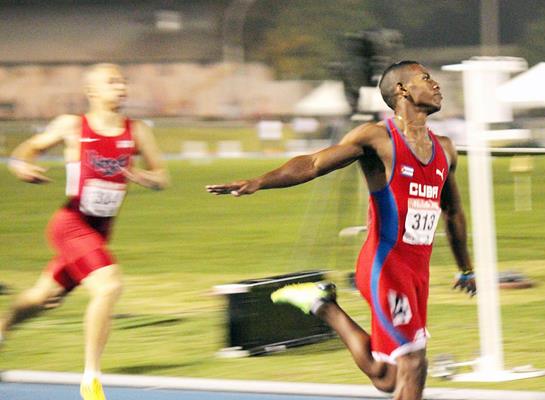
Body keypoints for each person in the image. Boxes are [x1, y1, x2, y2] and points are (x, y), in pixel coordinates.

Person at [206, 60, 476, 400]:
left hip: (417, 274)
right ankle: (325, 307)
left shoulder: (446, 149)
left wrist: (465, 269)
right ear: (402, 90)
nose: (436, 85)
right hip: (384, 268)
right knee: (412, 362)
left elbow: (452, 212)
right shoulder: (379, 139)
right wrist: (259, 181)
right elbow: (314, 163)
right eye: (426, 78)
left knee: (388, 377)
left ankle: (323, 305)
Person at [1, 63, 169, 400]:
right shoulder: (72, 126)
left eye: (123, 81)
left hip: (99, 232)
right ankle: (91, 378)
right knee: (109, 286)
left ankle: (1, 327)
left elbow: (162, 175)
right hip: (71, 224)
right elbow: (27, 150)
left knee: (43, 297)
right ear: (91, 92)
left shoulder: (136, 131)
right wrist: (21, 166)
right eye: (111, 82)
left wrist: (149, 179)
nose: (120, 86)